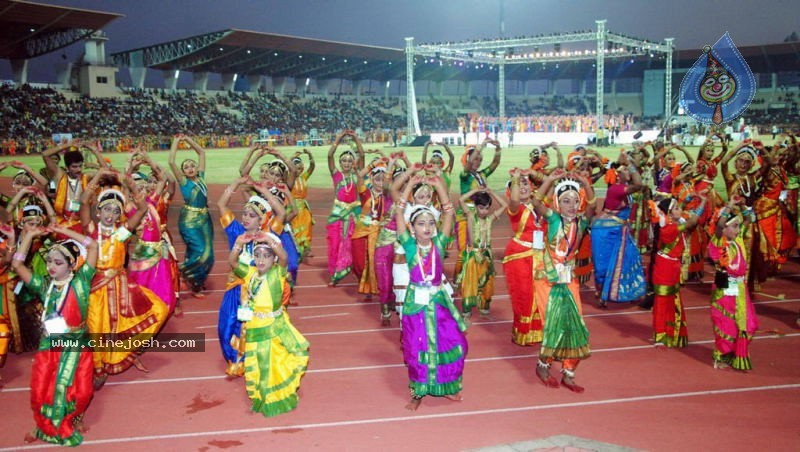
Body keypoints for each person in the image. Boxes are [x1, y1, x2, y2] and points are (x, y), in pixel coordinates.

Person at [12, 225, 98, 446]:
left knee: (82, 392)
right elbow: (17, 265)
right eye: (49, 261)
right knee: (42, 390)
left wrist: (62, 230)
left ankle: (75, 417)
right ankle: (43, 426)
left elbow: (93, 245)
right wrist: (29, 236)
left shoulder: (81, 282)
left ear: (72, 265)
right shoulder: (44, 286)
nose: (50, 266)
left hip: (77, 346)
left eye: (58, 263)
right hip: (50, 346)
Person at [80, 179, 169, 389]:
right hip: (95, 288)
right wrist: (98, 177)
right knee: (96, 328)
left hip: (119, 288)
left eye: (115, 211)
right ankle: (98, 368)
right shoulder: (92, 230)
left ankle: (120, 352)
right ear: (98, 211)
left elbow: (143, 209)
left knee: (158, 309)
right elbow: (83, 204)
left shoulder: (121, 233)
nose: (110, 215)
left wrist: (128, 182)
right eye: (106, 210)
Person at [394, 175, 467, 411]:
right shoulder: (408, 245)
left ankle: (448, 385)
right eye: (421, 224)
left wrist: (439, 187)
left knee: (451, 342)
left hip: (438, 302)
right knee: (417, 349)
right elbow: (399, 211)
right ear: (412, 229)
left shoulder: (439, 244)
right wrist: (409, 187)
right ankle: (417, 393)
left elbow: (449, 212)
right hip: (416, 304)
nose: (427, 227)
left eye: (430, 223)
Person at [530, 170, 597, 393]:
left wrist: (586, 183)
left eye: (575, 201)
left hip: (569, 280)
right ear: (558, 203)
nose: (570, 205)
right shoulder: (553, 219)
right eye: (565, 201)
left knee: (574, 323)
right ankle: (543, 364)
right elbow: (536, 201)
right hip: (547, 279)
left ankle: (569, 371)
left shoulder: (582, 221)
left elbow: (593, 206)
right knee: (552, 324)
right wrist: (549, 180)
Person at [229, 231, 309, 417]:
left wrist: (269, 240)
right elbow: (233, 262)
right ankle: (260, 396)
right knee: (257, 362)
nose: (261, 260)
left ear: (273, 259)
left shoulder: (277, 273)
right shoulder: (250, 274)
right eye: (257, 256)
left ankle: (273, 398)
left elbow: (284, 257)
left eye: (266, 256)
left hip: (273, 326)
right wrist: (238, 244)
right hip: (255, 326)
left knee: (271, 363)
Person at [216, 176, 284, 376]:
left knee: (249, 328)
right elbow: (221, 204)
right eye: (244, 213)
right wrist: (235, 184)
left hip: (258, 293)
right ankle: (233, 356)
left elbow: (280, 211)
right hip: (236, 287)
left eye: (252, 215)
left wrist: (263, 191)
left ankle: (244, 362)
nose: (245, 218)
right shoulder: (235, 230)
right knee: (226, 326)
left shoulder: (270, 234)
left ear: (261, 218)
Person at [708, 197, 759, 370]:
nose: (738, 229)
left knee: (747, 323)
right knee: (725, 325)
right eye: (734, 226)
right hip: (724, 291)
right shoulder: (717, 242)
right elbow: (720, 225)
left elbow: (750, 219)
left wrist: (743, 204)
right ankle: (720, 356)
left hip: (740, 289)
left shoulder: (737, 241)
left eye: (738, 226)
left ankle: (735, 353)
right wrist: (729, 206)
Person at [649, 196, 706, 347]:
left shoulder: (675, 222)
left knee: (672, 300)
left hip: (672, 266)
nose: (680, 210)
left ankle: (671, 332)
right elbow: (692, 222)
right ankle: (661, 335)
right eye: (676, 208)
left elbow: (682, 214)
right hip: (665, 268)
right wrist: (704, 202)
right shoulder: (669, 229)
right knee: (662, 302)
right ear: (668, 213)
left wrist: (687, 200)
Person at [591, 155, 647, 307]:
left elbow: (638, 178)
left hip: (618, 229)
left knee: (629, 258)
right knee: (603, 264)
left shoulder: (622, 189)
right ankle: (602, 294)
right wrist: (629, 163)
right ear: (618, 176)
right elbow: (638, 184)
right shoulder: (616, 189)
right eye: (625, 171)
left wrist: (630, 160)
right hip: (604, 231)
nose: (629, 172)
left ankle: (626, 291)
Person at [503, 169, 550, 345]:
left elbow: (549, 184)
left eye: (525, 183)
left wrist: (538, 175)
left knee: (540, 295)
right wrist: (516, 177)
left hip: (540, 257)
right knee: (524, 295)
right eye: (518, 185)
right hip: (520, 257)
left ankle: (537, 332)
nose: (522, 187)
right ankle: (523, 333)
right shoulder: (515, 208)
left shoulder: (539, 205)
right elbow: (515, 198)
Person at [168, 135, 215, 297]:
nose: (190, 168)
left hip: (205, 219)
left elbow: (201, 153)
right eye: (186, 167)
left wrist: (188, 140)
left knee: (208, 253)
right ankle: (184, 272)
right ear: (182, 172)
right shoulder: (184, 182)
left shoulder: (201, 177)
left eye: (192, 165)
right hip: (189, 220)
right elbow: (171, 162)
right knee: (202, 251)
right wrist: (176, 141)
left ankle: (196, 280)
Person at [456, 187, 506, 320]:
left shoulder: (489, 219)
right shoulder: (471, 216)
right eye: (481, 208)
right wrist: (476, 191)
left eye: (487, 208)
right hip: (473, 255)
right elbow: (461, 200)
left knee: (487, 283)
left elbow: (504, 205)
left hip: (486, 256)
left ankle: (484, 307)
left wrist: (492, 192)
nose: (484, 211)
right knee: (470, 283)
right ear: (475, 207)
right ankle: (466, 310)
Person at [325, 130, 364, 286]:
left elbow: (361, 155)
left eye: (349, 161)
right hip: (339, 215)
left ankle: (358, 272)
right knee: (336, 244)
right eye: (344, 161)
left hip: (354, 213)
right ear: (340, 163)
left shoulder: (357, 175)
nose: (347, 163)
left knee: (355, 245)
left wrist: (355, 138)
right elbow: (329, 156)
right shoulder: (336, 175)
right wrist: (338, 138)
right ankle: (335, 273)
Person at [42, 141, 105, 233]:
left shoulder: (86, 177)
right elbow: (45, 155)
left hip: (82, 221)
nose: (78, 170)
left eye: (80, 166)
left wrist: (95, 150)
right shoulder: (60, 176)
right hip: (62, 220)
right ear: (67, 167)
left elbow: (104, 170)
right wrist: (68, 145)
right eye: (74, 167)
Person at [289, 149, 316, 260]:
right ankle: (297, 251)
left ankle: (306, 248)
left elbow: (312, 167)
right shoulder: (289, 179)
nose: (299, 170)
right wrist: (291, 158)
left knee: (308, 224)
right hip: (293, 207)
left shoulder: (303, 177)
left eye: (300, 168)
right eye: (296, 168)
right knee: (296, 229)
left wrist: (310, 155)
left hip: (304, 207)